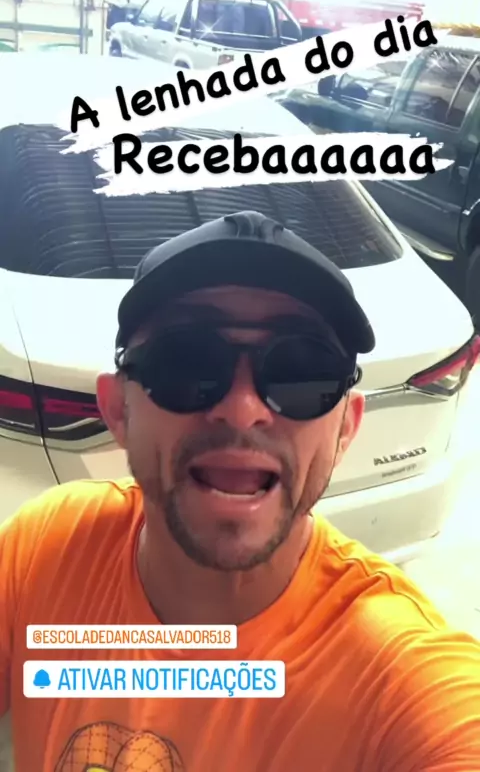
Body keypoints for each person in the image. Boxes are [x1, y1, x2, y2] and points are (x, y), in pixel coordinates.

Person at [1, 210, 479, 772]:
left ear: (346, 430)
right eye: (187, 361)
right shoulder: (48, 548)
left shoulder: (400, 683)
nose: (243, 408)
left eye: (301, 371)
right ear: (118, 410)